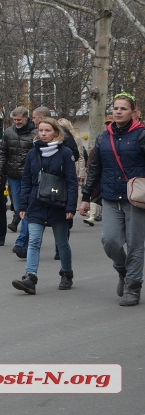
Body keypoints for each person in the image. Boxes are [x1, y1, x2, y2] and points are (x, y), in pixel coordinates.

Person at [80, 93, 145, 306]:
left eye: (123, 109)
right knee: (109, 240)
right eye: (115, 108)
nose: (118, 112)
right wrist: (86, 197)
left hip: (135, 198)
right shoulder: (102, 137)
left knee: (135, 244)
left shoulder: (141, 135)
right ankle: (123, 270)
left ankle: (133, 288)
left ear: (133, 113)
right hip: (110, 196)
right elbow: (95, 169)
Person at [13, 117, 78, 295]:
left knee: (62, 242)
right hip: (36, 202)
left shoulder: (65, 153)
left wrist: (71, 207)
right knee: (34, 241)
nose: (43, 134)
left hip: (58, 202)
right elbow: (26, 180)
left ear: (56, 132)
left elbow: (72, 182)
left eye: (47, 130)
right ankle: (30, 277)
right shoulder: (33, 153)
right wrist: (23, 205)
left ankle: (66, 272)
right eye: (41, 130)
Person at [0, 107, 37, 258]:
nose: (16, 122)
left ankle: (21, 242)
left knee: (26, 208)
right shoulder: (9, 132)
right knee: (18, 208)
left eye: (19, 120)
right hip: (14, 176)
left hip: (30, 176)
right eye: (14, 120)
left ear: (26, 118)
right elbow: (3, 153)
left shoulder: (36, 133)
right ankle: (29, 238)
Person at [84, 114, 114, 226]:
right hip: (100, 176)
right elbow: (93, 162)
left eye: (110, 123)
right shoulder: (101, 138)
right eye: (107, 123)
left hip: (117, 181)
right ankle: (92, 216)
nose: (108, 125)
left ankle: (98, 214)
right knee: (95, 195)